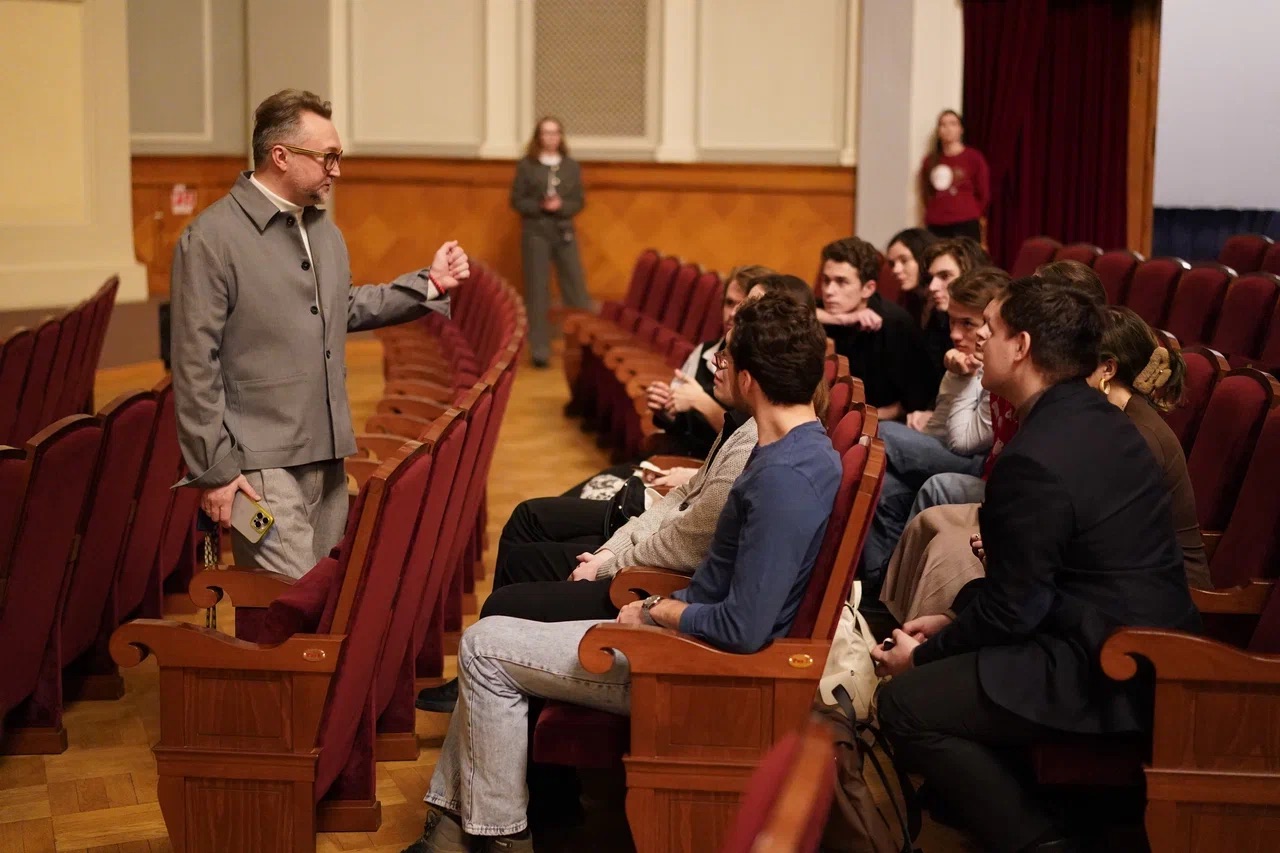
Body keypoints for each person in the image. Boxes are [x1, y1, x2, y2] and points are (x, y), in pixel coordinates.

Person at [402, 292, 841, 853]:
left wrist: (654, 610)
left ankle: (497, 839)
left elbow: (745, 627)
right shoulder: (798, 448)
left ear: (750, 379)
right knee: (494, 637)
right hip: (678, 639)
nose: (718, 368)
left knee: (485, 648)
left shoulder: (784, 478)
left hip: (689, 669)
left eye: (728, 360)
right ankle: (455, 833)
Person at [870, 274, 1200, 853]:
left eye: (990, 331)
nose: (979, 344)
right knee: (961, 620)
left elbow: (1016, 607)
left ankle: (1039, 842)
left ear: (1021, 347)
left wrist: (922, 655)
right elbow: (1022, 591)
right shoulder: (1100, 419)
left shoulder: (1036, 454)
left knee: (902, 703)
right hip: (1125, 637)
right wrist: (952, 624)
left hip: (1107, 666)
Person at [170, 89, 468, 580]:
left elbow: (340, 307)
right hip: (256, 468)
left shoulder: (321, 230)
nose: (337, 169)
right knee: (290, 602)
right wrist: (217, 473)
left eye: (339, 157)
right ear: (281, 156)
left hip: (327, 454)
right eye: (328, 157)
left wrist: (429, 285)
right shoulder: (210, 238)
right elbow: (193, 364)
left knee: (322, 598)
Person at [881, 303, 1210, 625]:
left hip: (1153, 596)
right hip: (1103, 571)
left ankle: (925, 655)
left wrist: (1014, 546)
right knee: (942, 528)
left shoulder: (1137, 437)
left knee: (956, 556)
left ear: (1107, 370)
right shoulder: (1099, 417)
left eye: (1076, 365)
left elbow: (1099, 536)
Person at [858, 267, 1009, 594]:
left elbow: (962, 442)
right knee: (884, 481)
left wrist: (966, 376)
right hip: (952, 449)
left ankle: (894, 583)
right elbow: (940, 428)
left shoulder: (991, 366)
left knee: (880, 431)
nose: (955, 334)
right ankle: (877, 586)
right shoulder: (964, 358)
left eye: (966, 324)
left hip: (979, 464)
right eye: (951, 322)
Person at [643, 264, 773, 459]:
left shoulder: (760, 370)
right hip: (679, 456)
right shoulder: (704, 351)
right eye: (729, 303)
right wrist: (666, 408)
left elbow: (748, 444)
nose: (732, 314)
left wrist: (700, 402)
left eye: (742, 305)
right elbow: (681, 420)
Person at [818, 237, 939, 421]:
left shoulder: (895, 323)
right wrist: (839, 319)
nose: (829, 290)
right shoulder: (822, 311)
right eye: (826, 280)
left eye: (841, 282)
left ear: (868, 288)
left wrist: (861, 419)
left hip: (880, 423)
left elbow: (914, 398)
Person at [510, 116, 591, 368]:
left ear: (561, 137)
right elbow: (516, 201)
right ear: (538, 137)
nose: (551, 137)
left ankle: (583, 345)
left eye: (555, 133)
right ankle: (540, 349)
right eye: (546, 133)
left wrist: (561, 206)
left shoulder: (571, 166)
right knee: (537, 291)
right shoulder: (527, 166)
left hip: (564, 232)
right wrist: (540, 206)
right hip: (536, 233)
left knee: (576, 290)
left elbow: (579, 201)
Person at [914, 237, 992, 386]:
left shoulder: (993, 329)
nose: (932, 287)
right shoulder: (937, 319)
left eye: (945, 276)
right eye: (931, 278)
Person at [921, 110, 990, 242]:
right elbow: (926, 193)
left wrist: (971, 211)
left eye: (953, 124)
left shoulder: (974, 158)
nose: (948, 129)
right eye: (943, 125)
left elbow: (983, 193)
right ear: (938, 131)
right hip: (937, 223)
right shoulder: (930, 161)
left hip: (965, 222)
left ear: (961, 129)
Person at [884, 227, 939, 325]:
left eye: (904, 260)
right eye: (892, 264)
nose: (895, 270)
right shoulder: (907, 300)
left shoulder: (945, 301)